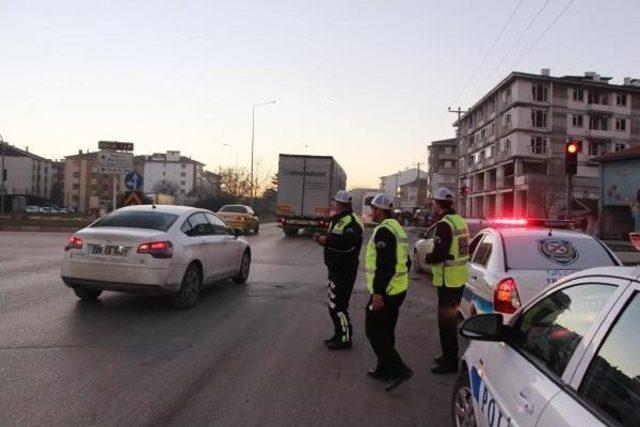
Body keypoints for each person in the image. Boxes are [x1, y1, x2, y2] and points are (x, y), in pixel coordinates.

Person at [364, 193, 413, 392]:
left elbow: (386, 265)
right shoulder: (397, 228)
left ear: (381, 210)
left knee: (373, 330)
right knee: (385, 330)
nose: (371, 212)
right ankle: (383, 370)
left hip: (387, 290)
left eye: (374, 209)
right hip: (398, 288)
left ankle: (398, 369)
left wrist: (378, 293)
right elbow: (407, 262)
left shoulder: (384, 231)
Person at [425, 187, 470, 374]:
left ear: (437, 204)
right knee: (450, 322)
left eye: (434, 203)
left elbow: (440, 253)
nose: (433, 206)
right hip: (458, 279)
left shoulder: (444, 224)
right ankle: (448, 356)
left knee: (446, 323)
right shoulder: (459, 221)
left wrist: (428, 257)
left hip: (447, 281)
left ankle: (450, 362)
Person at [314, 190, 363, 350]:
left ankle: (345, 338)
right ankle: (338, 334)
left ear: (341, 204)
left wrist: (325, 240)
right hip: (335, 269)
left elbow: (346, 243)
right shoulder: (337, 220)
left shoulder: (352, 222)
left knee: (339, 306)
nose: (334, 205)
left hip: (345, 270)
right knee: (333, 304)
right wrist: (322, 236)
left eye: (336, 202)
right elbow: (335, 237)